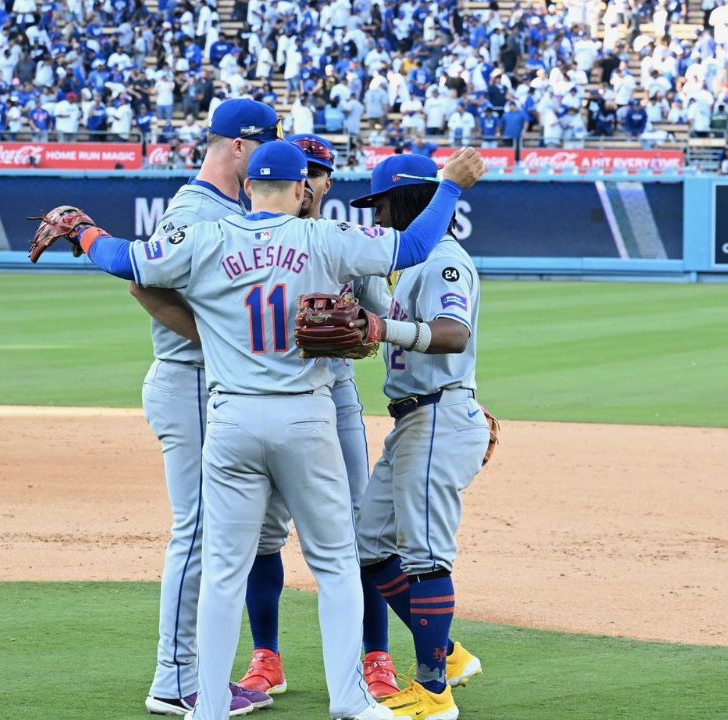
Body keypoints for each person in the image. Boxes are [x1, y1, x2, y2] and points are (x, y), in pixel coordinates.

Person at [30, 141, 487, 720]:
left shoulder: (207, 238)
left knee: (223, 569)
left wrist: (85, 232)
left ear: (248, 188)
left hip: (231, 419)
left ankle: (210, 706)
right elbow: (419, 244)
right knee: (337, 563)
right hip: (305, 415)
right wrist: (450, 186)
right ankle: (351, 699)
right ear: (302, 191)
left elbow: (127, 262)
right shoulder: (325, 236)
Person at [126, 99, 280, 718]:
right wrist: (220, 337)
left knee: (216, 530)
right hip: (189, 379)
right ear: (237, 148)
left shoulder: (225, 208)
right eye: (263, 149)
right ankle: (176, 679)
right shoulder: (194, 209)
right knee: (197, 530)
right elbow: (143, 283)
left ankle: (194, 670)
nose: (267, 162)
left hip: (205, 383)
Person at [236, 135, 401, 701]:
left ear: (325, 183)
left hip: (335, 395)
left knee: (360, 530)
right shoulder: (248, 236)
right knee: (261, 533)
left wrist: (361, 323)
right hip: (263, 397)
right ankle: (266, 658)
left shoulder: (344, 243)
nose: (308, 180)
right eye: (301, 170)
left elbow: (383, 318)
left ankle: (376, 657)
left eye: (318, 172)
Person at [351, 153, 490, 720]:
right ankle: (449, 656)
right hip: (414, 419)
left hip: (438, 414)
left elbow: (453, 335)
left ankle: (435, 694)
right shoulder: (411, 265)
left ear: (409, 198)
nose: (377, 216)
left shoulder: (445, 262)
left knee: (425, 557)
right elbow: (391, 318)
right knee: (368, 544)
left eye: (381, 204)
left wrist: (385, 326)